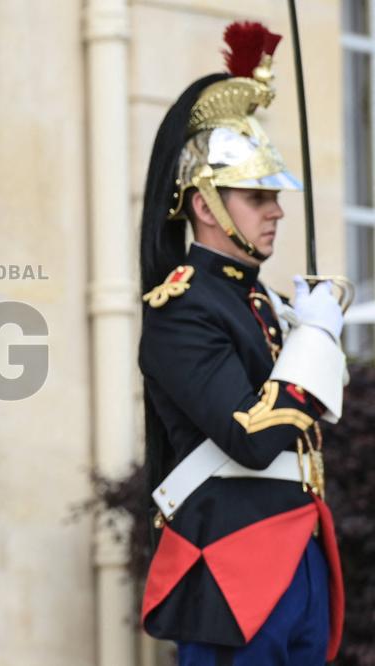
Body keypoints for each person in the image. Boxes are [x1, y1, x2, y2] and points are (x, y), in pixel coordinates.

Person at [137, 22, 347, 665]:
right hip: (233, 564)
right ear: (205, 205)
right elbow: (252, 439)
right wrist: (313, 338)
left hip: (301, 550)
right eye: (257, 197)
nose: (276, 211)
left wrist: (304, 327)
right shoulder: (182, 307)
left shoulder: (262, 302)